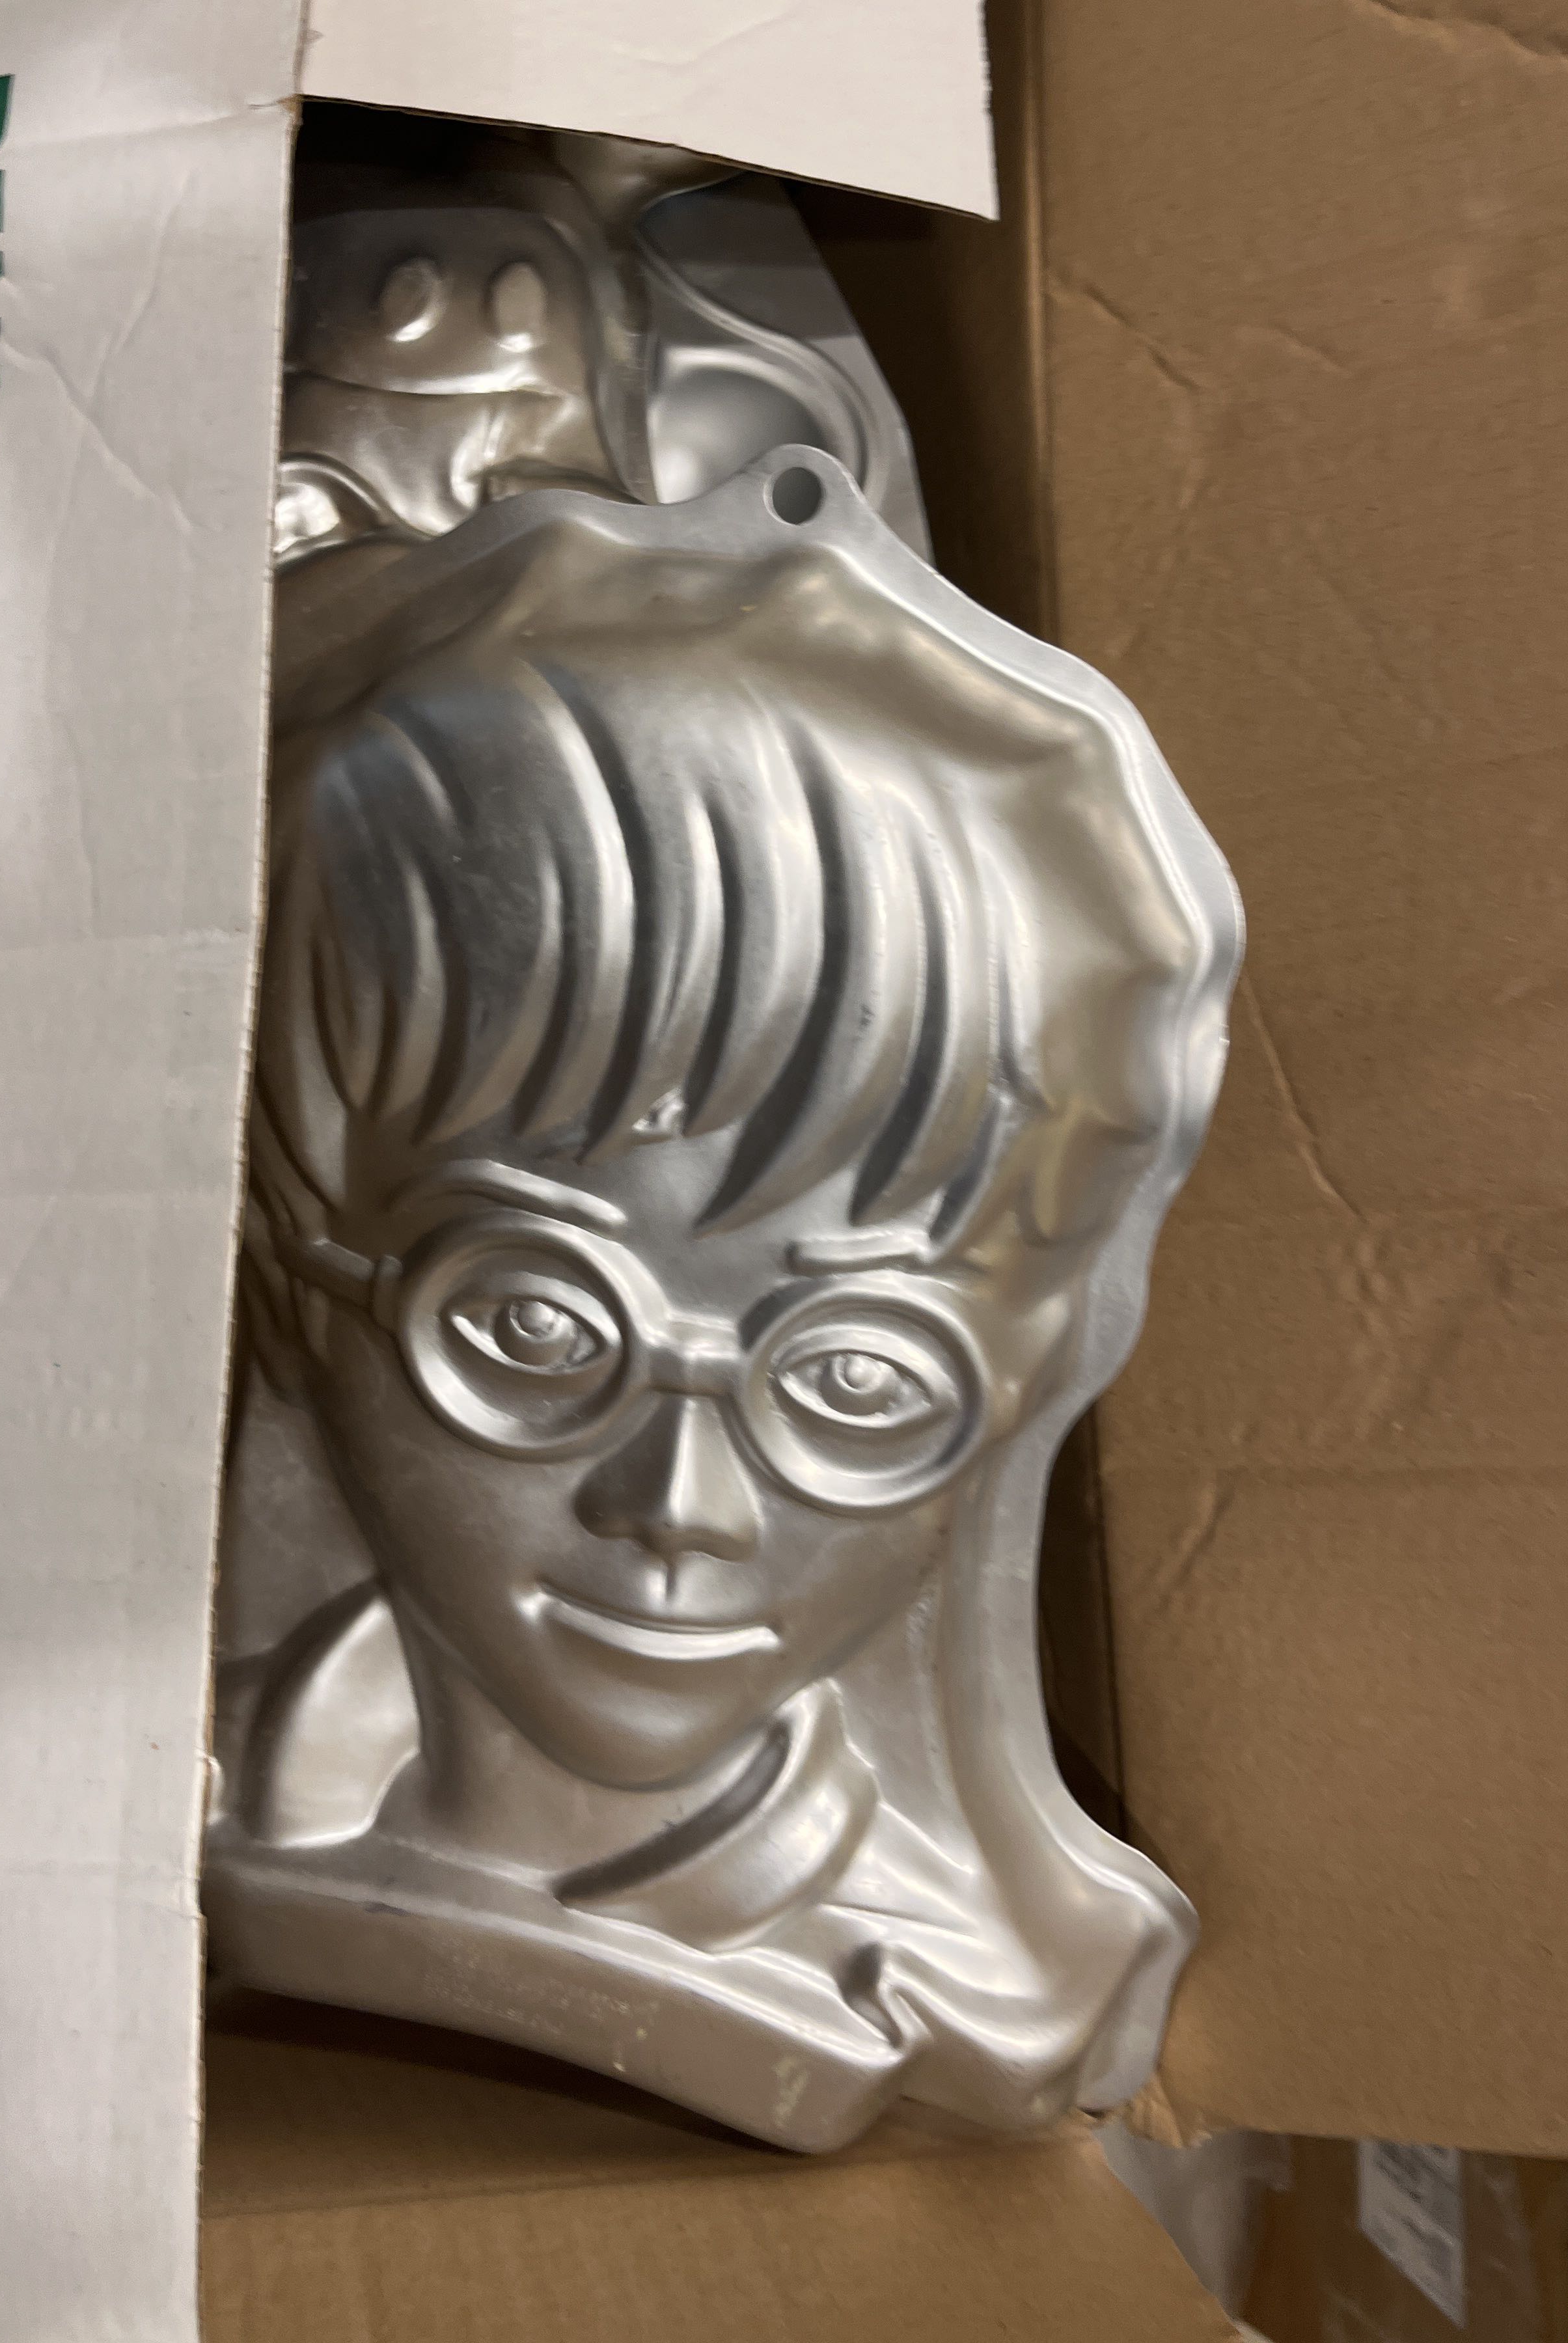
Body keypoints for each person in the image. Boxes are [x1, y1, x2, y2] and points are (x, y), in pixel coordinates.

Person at [204, 462, 1240, 2150]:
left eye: (856, 1384)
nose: (680, 1508)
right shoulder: (160, 1784)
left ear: (1022, 1374)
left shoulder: (949, 1961)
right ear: (298, 1274)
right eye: (535, 1330)